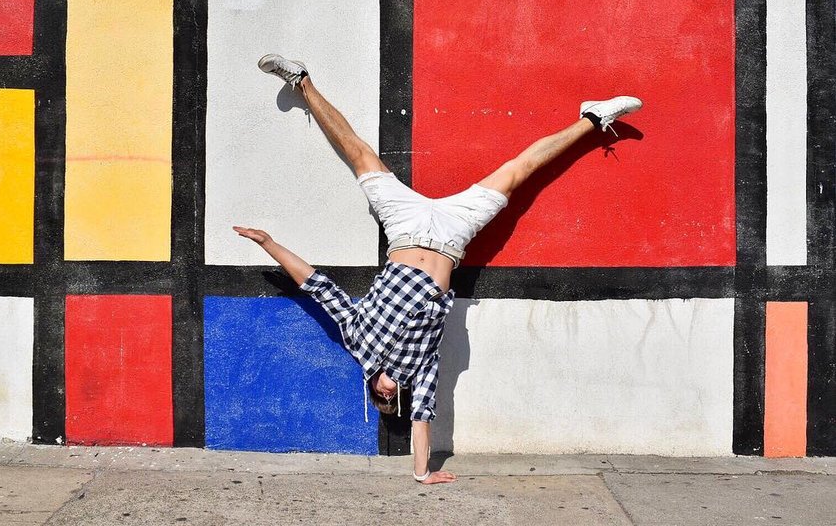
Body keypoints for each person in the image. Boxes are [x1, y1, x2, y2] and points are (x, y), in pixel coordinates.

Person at [233, 54, 642, 485]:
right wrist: (421, 473)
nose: (389, 396)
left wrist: (269, 243)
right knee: (516, 172)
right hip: (451, 236)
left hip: (405, 230)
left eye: (382, 400)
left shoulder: (358, 340)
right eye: (394, 402)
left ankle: (302, 82)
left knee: (358, 153)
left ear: (372, 388)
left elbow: (319, 287)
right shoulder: (421, 367)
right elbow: (422, 422)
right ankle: (594, 119)